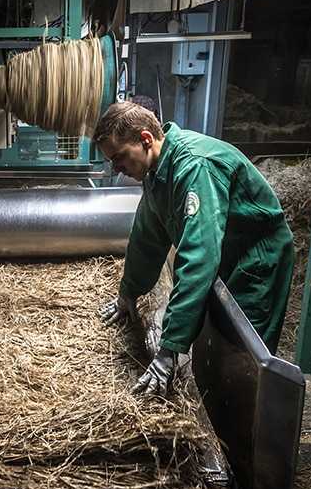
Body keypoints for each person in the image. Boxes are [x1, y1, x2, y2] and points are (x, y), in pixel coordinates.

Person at [94, 101, 294, 397]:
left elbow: (198, 257)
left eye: (120, 157)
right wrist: (128, 294)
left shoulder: (195, 168)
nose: (117, 168)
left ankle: (241, 431)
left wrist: (168, 350)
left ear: (146, 140)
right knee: (214, 337)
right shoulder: (156, 173)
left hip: (255, 261)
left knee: (242, 354)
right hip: (225, 251)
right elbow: (146, 237)